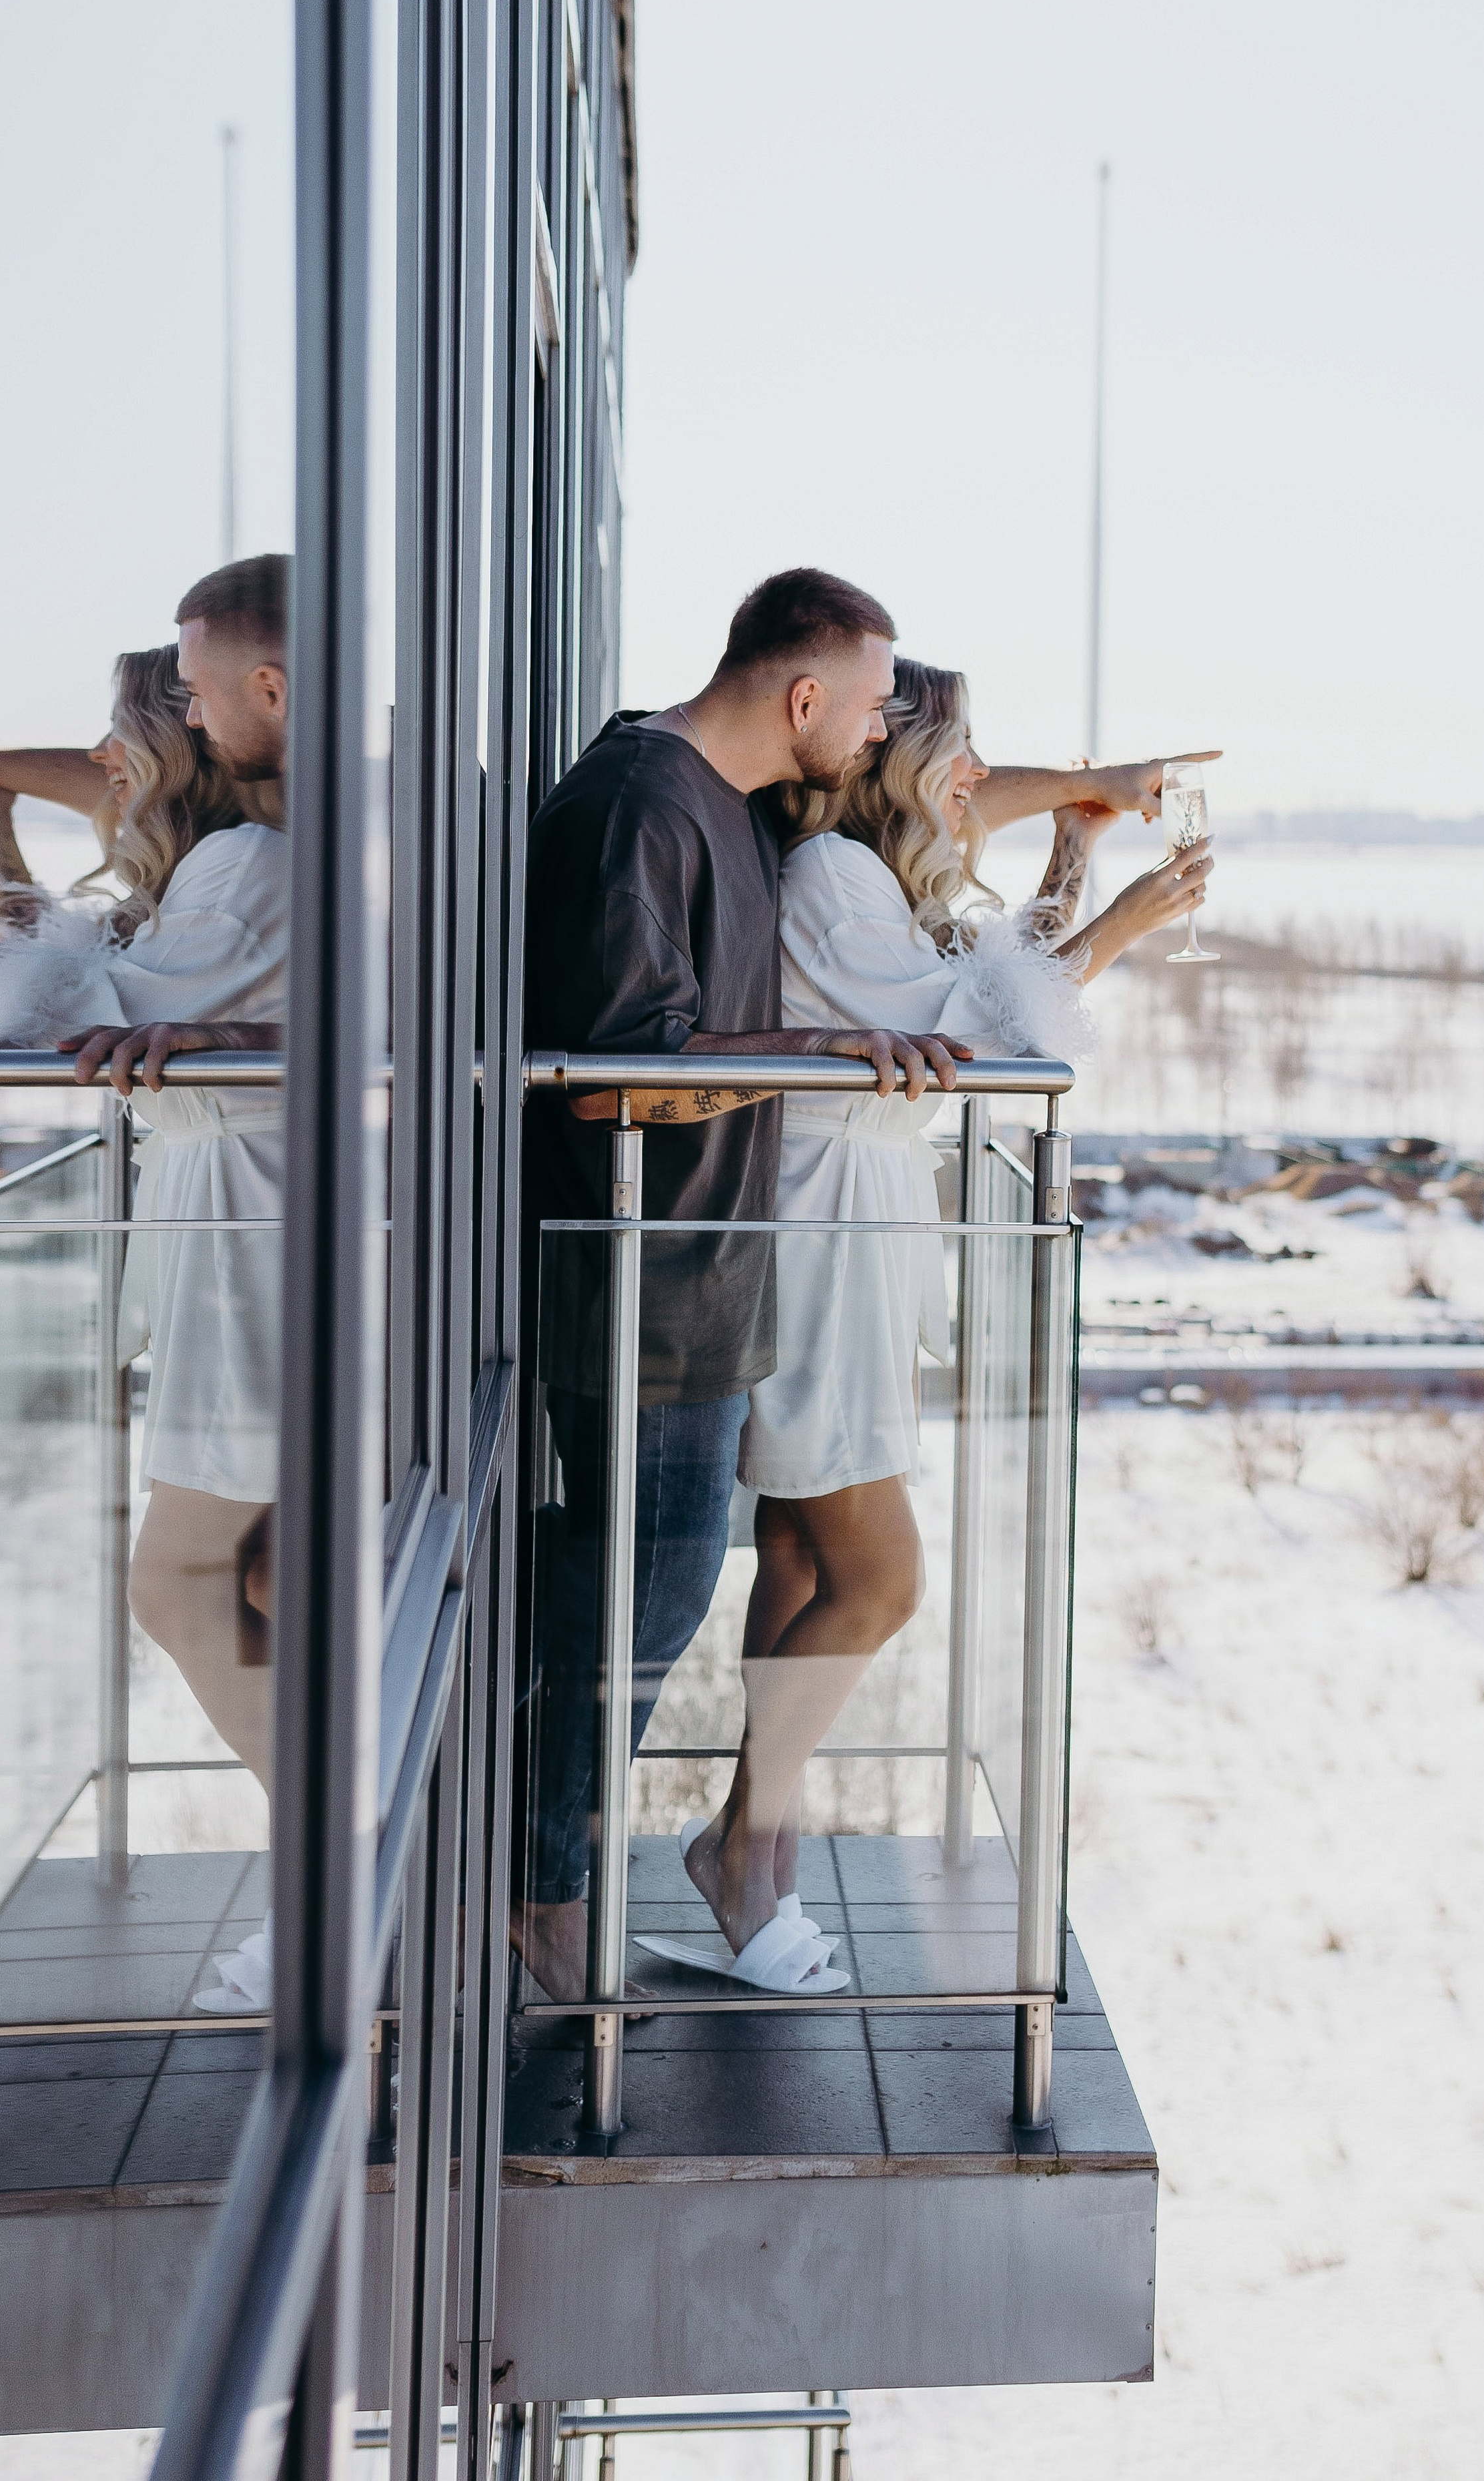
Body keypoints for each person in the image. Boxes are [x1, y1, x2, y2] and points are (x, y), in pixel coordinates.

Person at [661, 656, 1213, 1972]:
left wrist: (1075, 846)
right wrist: (1122, 919)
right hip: (821, 1256)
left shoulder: (860, 877)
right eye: (954, 756)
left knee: (798, 1561)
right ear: (886, 761)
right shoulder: (833, 885)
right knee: (881, 1579)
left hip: (844, 1237)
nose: (974, 779)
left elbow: (975, 989)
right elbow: (985, 1046)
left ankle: (760, 1837)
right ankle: (740, 1840)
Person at [518, 567, 982, 2003]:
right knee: (628, 1633)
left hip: (704, 1287)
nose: (871, 732)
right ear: (800, 699)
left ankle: (545, 1893)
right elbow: (605, 1086)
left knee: (639, 1621)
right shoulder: (641, 809)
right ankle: (537, 1916)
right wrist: (808, 1056)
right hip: (642, 1295)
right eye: (862, 705)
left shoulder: (699, 793)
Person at [0, 555, 291, 2014]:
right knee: (265, 1581)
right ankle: (344, 1868)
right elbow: (85, 1001)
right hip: (259, 1245)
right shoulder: (249, 860)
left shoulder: (247, 865)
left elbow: (59, 1027)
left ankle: (362, 1864)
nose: (112, 758)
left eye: (145, 721)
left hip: (265, 1262)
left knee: (181, 1581)